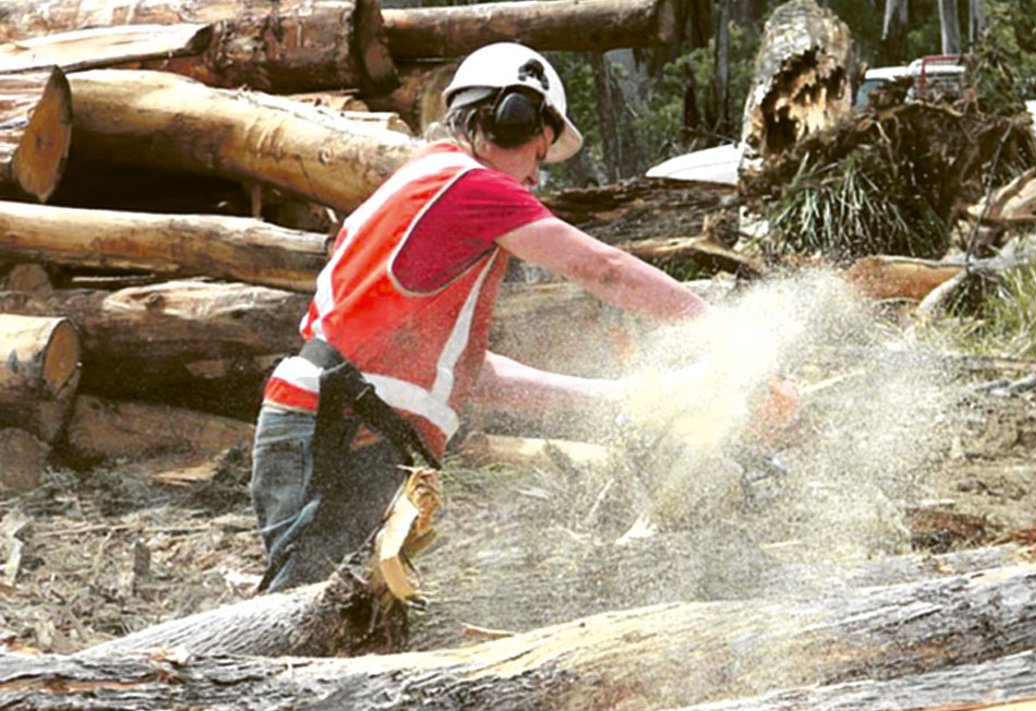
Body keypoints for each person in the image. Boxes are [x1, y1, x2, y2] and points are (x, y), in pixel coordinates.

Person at [249, 43, 714, 593]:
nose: (537, 180)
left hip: (346, 425)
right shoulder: (468, 186)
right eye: (538, 157)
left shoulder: (427, 185)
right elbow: (603, 269)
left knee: (339, 621)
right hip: (342, 429)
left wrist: (620, 395)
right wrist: (723, 327)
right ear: (511, 119)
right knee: (304, 625)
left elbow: (473, 374)